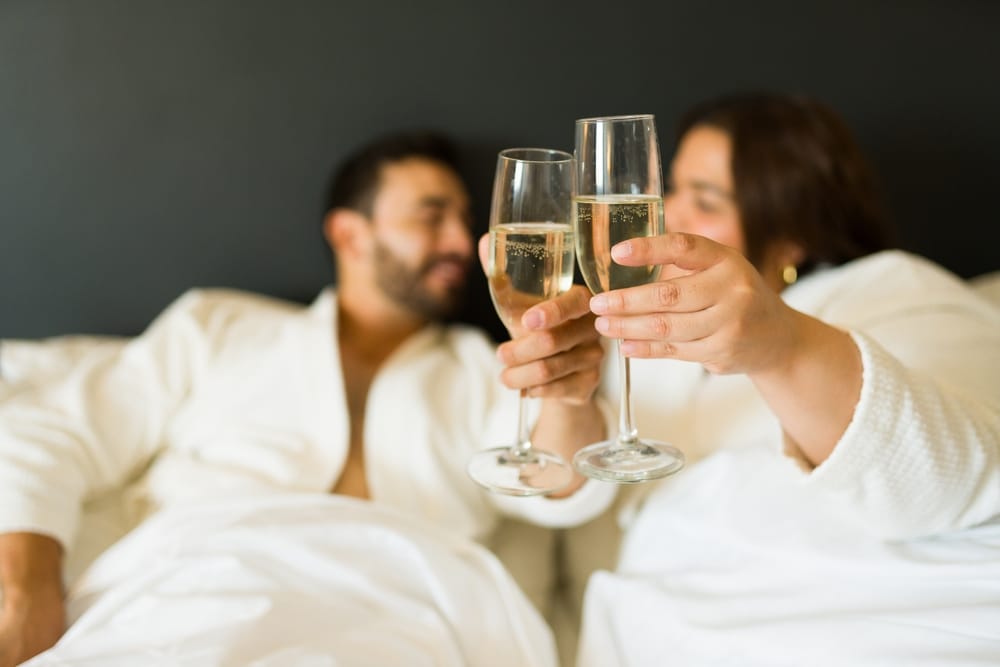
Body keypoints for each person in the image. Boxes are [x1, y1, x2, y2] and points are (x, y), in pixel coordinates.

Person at [0, 131, 612, 665]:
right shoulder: (218, 328)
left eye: (465, 217)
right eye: (431, 216)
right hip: (194, 587)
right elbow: (56, 430)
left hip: (400, 606)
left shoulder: (481, 364)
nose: (460, 239)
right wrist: (27, 586)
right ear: (350, 232)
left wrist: (566, 388)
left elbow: (556, 484)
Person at [576, 93, 1000, 665]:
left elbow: (950, 479)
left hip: (848, 617)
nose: (668, 216)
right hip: (672, 618)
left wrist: (784, 348)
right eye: (671, 189)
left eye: (704, 199)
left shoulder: (899, 288)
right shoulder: (642, 344)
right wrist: (565, 396)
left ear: (791, 231)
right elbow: (587, 495)